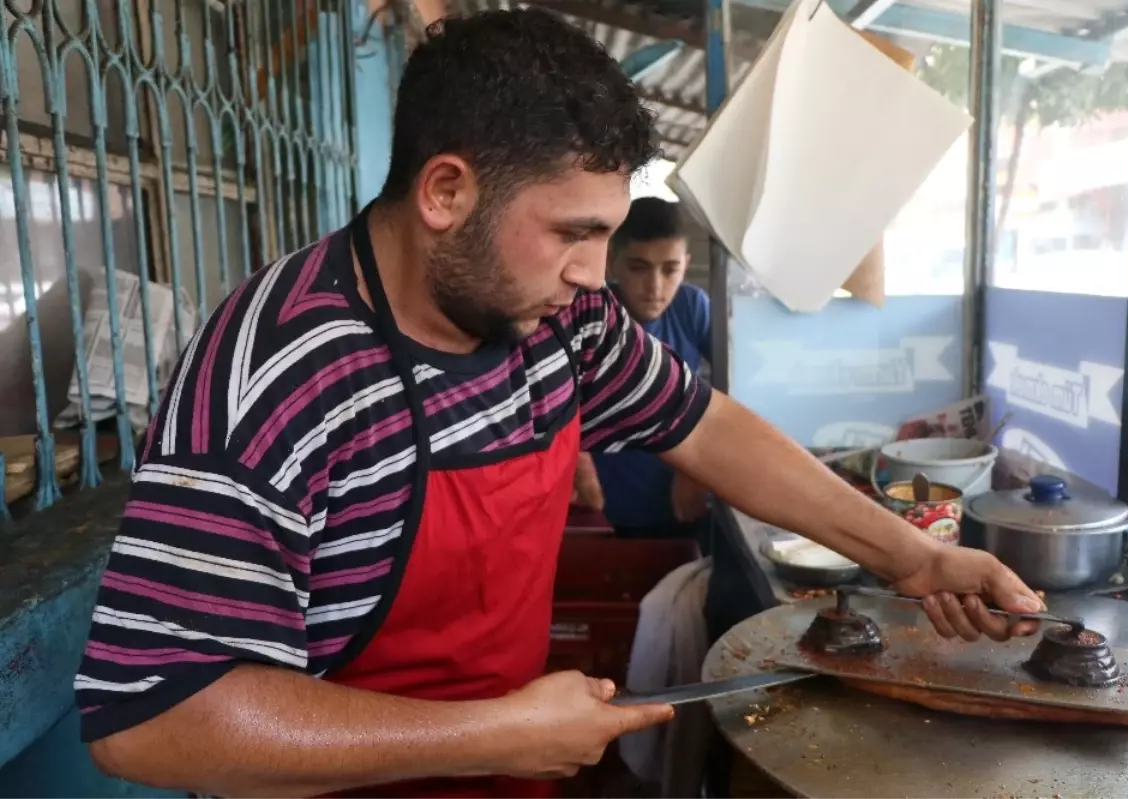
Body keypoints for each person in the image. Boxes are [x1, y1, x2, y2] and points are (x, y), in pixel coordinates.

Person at [76, 9, 1044, 799]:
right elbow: (157, 719)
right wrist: (490, 733)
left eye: (608, 235)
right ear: (447, 191)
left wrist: (914, 556)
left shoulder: (561, 323)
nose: (594, 276)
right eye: (573, 233)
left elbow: (701, 423)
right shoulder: (279, 372)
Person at [573, 198, 713, 545]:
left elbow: (734, 384)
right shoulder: (587, 317)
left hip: (689, 502)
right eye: (639, 268)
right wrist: (579, 467)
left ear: (686, 264)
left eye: (670, 269)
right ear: (611, 263)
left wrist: (693, 467)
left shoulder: (692, 307)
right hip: (615, 511)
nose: (655, 287)